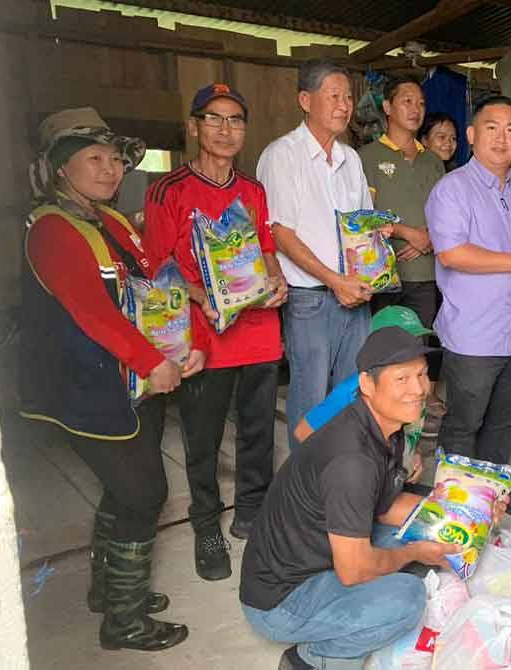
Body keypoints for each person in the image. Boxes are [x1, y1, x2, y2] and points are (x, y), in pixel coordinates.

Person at [19, 107, 203, 650]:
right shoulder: (53, 231)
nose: (110, 170)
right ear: (60, 169)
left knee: (126, 489)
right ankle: (123, 621)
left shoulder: (114, 221)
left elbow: (151, 293)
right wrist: (153, 363)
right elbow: (92, 314)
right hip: (85, 390)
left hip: (128, 381)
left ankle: (111, 591)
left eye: (116, 159)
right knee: (143, 491)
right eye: (94, 159)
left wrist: (180, 347)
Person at [241, 327, 507, 670]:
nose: (419, 389)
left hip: (311, 559)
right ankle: (311, 660)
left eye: (423, 375)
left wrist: (474, 512)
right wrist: (414, 552)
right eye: (402, 379)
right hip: (280, 602)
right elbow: (354, 571)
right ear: (367, 384)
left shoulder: (382, 426)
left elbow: (385, 509)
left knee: (418, 533)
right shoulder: (352, 462)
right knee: (406, 599)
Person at [142, 83, 288, 581]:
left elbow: (266, 246)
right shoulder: (168, 190)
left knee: (257, 431)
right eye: (215, 119)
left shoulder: (252, 191)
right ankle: (206, 524)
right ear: (194, 126)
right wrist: (208, 298)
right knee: (202, 439)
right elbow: (158, 268)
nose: (226, 130)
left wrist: (277, 278)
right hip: (205, 337)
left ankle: (253, 511)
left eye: (235, 121)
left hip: (260, 330)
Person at [425, 95, 511, 517]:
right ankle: (458, 505)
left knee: (505, 419)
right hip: (474, 333)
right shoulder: (451, 190)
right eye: (491, 127)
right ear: (471, 135)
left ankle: (495, 489)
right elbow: (451, 253)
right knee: (465, 422)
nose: (502, 138)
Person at [258, 59, 374, 452]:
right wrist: (335, 280)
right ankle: (305, 491)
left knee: (352, 393)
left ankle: (343, 477)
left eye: (347, 97)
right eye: (334, 96)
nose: (344, 106)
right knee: (311, 399)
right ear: (306, 101)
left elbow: (359, 228)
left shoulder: (350, 159)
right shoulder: (281, 156)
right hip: (310, 299)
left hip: (353, 295)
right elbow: (280, 234)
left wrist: (370, 270)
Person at [359, 76, 447, 417]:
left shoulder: (432, 160)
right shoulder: (367, 157)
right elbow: (362, 218)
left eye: (421, 103)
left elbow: (446, 214)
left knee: (420, 349)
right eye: (407, 101)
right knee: (384, 351)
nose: (415, 109)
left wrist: (428, 239)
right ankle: (380, 415)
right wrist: (407, 233)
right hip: (384, 274)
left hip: (425, 272)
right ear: (387, 107)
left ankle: (417, 412)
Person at [293, 306, 433, 488]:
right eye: (403, 342)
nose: (413, 349)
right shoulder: (351, 391)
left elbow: (409, 433)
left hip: (395, 479)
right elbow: (303, 432)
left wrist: (414, 455)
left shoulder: (418, 384)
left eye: (417, 340)